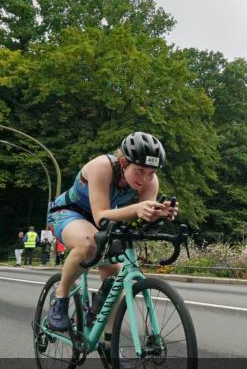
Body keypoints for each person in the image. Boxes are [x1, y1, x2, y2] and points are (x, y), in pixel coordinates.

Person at [46, 132, 178, 332]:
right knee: (88, 244)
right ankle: (61, 294)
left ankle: (109, 348)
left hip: (106, 220)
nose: (145, 179)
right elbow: (100, 216)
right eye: (140, 170)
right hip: (70, 212)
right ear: (124, 162)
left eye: (151, 172)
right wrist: (136, 209)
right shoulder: (102, 166)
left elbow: (139, 219)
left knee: (117, 282)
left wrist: (158, 213)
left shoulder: (151, 181)